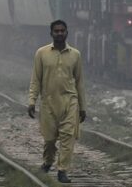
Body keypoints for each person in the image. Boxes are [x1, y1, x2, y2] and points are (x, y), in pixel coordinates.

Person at [27, 20, 86, 184]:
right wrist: (32, 100)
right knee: (50, 139)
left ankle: (62, 170)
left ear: (67, 33)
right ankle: (47, 162)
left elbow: (80, 81)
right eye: (56, 31)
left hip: (70, 101)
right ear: (51, 33)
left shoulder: (75, 55)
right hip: (48, 103)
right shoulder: (41, 53)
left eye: (62, 31)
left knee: (68, 137)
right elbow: (35, 79)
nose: (59, 33)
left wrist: (83, 106)